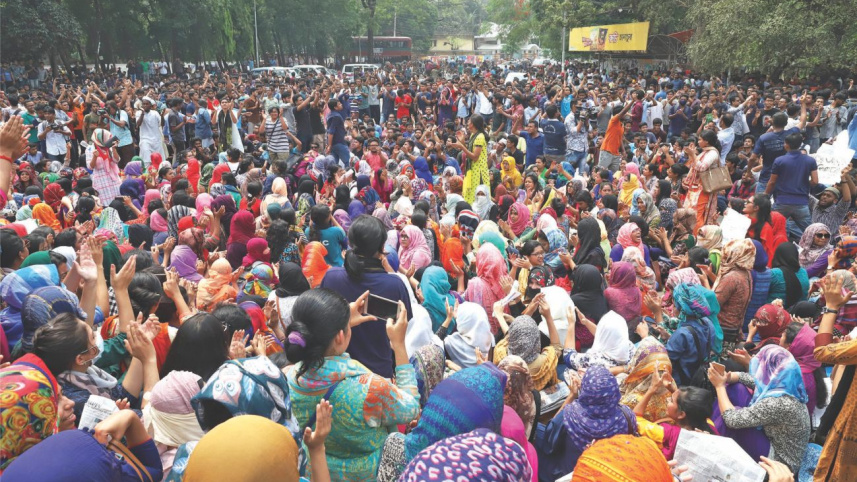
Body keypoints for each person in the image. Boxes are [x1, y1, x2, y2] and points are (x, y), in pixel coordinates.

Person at [320, 215, 412, 378]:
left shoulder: (331, 277)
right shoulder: (395, 285)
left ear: (351, 243)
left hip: (338, 372)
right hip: (378, 375)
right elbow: (402, 327)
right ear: (382, 246)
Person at [708, 345, 811, 473]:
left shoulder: (779, 402)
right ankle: (711, 430)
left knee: (729, 421)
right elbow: (748, 379)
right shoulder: (786, 384)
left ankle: (710, 445)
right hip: (773, 437)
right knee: (737, 388)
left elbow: (732, 419)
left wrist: (719, 386)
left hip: (779, 462)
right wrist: (727, 377)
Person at [764, 132, 817, 238]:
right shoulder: (810, 160)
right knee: (810, 233)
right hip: (801, 203)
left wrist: (765, 194)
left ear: (786, 144)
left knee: (773, 230)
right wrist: (803, 185)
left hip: (782, 201)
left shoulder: (779, 160)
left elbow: (772, 182)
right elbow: (815, 181)